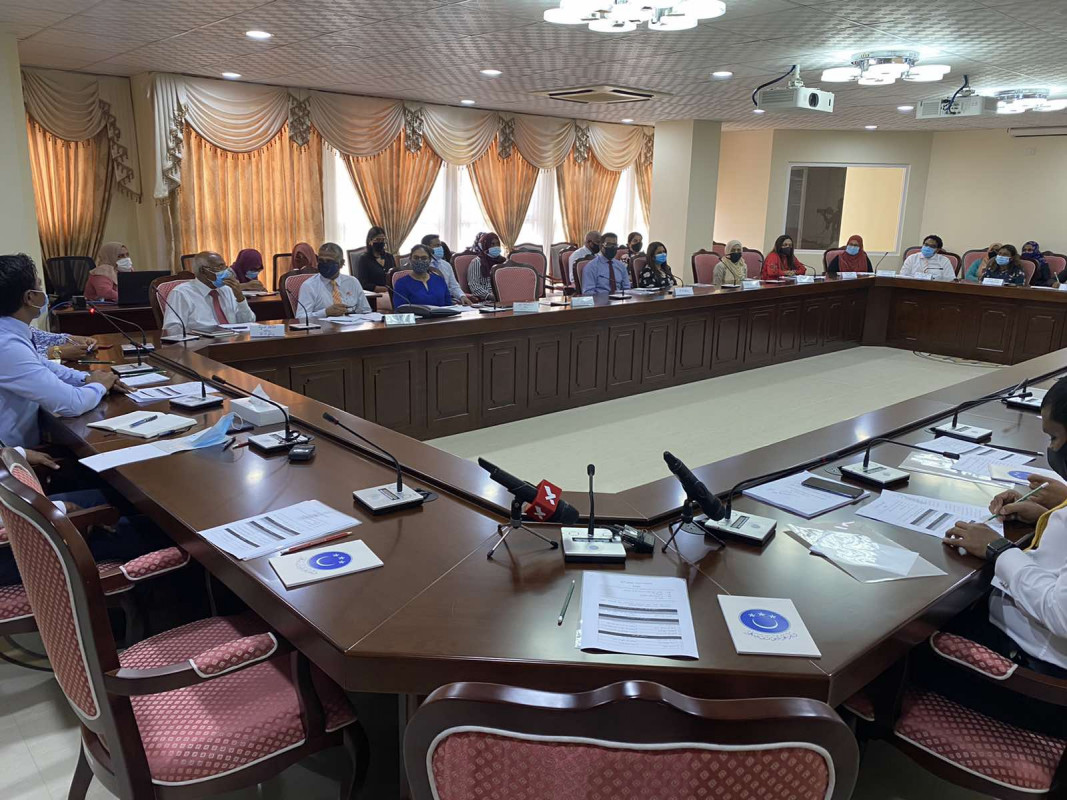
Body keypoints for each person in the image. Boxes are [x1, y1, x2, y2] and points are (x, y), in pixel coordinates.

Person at [935, 378, 1067, 738]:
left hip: (1039, 684)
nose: (1052, 449)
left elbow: (1060, 614)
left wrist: (998, 549)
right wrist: (1054, 508)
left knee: (906, 640)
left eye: (1055, 437)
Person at [0, 254, 120, 448]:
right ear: (29, 297)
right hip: (12, 458)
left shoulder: (12, 329)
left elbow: (43, 360)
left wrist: (87, 378)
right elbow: (71, 404)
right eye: (39, 286)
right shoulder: (7, 345)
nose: (44, 293)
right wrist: (99, 385)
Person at [162, 251, 255, 336]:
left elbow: (248, 322)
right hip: (201, 344)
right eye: (219, 267)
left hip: (232, 341)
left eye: (224, 267)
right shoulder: (181, 293)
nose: (225, 271)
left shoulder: (227, 290)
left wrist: (240, 298)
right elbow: (172, 330)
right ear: (203, 271)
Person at [297, 243, 371, 320]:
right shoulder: (309, 286)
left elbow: (365, 311)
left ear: (341, 263)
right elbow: (300, 317)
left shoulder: (352, 282)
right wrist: (325, 312)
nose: (324, 264)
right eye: (321, 260)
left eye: (329, 261)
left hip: (352, 325)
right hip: (324, 327)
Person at [421, 233, 470, 305]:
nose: (440, 248)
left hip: (446, 301)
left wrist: (462, 296)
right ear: (427, 248)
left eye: (440, 245)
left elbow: (453, 286)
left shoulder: (446, 265)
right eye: (437, 245)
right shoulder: (421, 265)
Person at [467, 232, 505, 301]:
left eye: (497, 244)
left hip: (504, 296)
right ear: (485, 246)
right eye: (492, 244)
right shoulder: (477, 262)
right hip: (486, 299)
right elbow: (474, 285)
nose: (496, 247)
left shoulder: (503, 261)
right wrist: (489, 296)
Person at [356, 227, 395, 293]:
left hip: (392, 293)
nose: (381, 242)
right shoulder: (364, 259)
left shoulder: (389, 257)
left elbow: (395, 276)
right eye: (378, 240)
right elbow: (363, 284)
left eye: (383, 240)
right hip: (374, 295)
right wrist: (385, 290)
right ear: (370, 241)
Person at [31, 328, 97, 361]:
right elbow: (28, 356)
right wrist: (59, 352)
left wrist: (70, 339)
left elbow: (41, 337)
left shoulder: (26, 326)